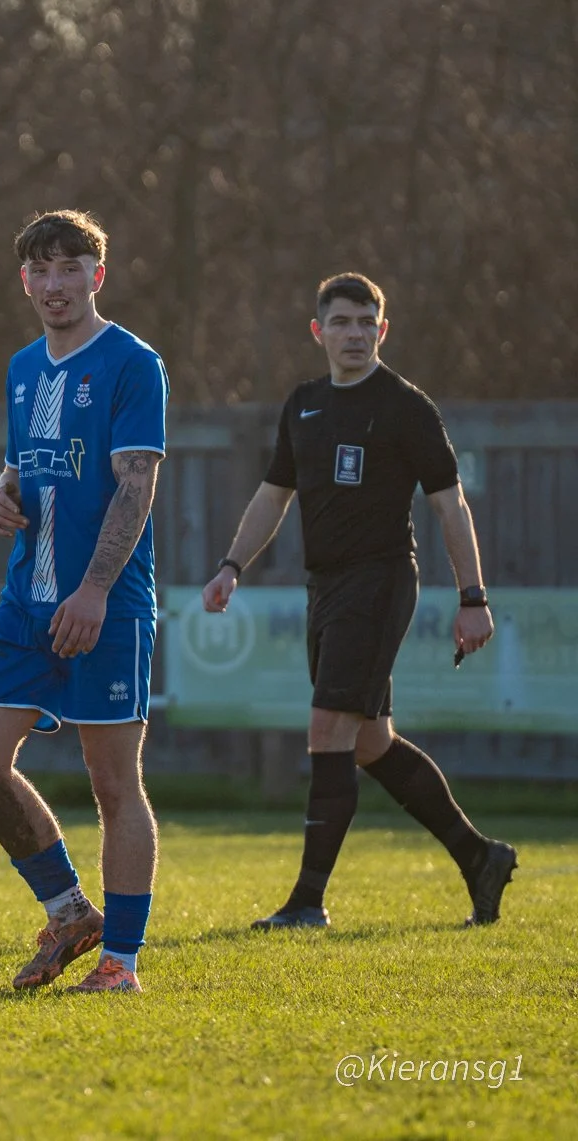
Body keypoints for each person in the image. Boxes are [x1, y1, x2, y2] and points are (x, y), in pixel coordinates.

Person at [202, 272, 515, 930]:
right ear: (318, 331)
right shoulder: (305, 403)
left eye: (365, 322)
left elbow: (449, 504)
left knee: (328, 729)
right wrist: (232, 564)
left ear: (383, 329)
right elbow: (272, 495)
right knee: (371, 741)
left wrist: (473, 596)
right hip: (326, 586)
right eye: (340, 322)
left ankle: (307, 901)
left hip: (379, 580)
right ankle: (479, 855)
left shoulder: (405, 406)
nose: (353, 333)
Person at [0, 210, 166, 995]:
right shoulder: (20, 369)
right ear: (25, 281)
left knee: (113, 784)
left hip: (103, 604)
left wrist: (96, 590)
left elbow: (137, 484)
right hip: (26, 602)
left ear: (97, 276)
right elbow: (22, 471)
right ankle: (70, 909)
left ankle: (122, 963)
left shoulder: (132, 364)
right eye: (41, 270)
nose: (55, 285)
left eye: (70, 267)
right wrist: (0, 498)